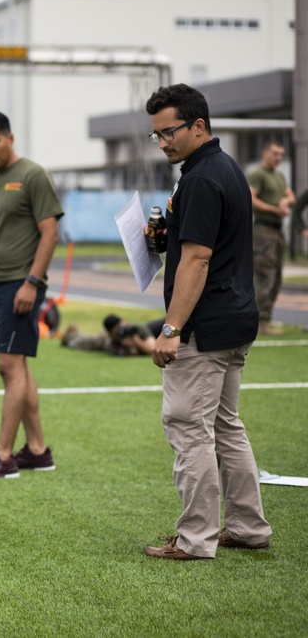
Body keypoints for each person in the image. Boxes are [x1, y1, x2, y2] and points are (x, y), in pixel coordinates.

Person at [143, 83, 271, 559]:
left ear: (199, 125)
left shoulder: (199, 178)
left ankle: (196, 538)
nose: (163, 142)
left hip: (205, 323)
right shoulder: (223, 168)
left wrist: (171, 329)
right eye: (156, 135)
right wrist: (163, 236)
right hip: (235, 318)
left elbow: (197, 261)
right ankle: (247, 526)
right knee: (224, 426)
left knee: (188, 427)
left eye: (169, 131)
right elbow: (194, 244)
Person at [0, 110, 63, 479]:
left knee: (7, 366)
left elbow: (49, 234)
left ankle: (3, 456)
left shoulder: (33, 175)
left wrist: (32, 283)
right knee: (17, 366)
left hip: (21, 284)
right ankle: (37, 450)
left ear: (10, 138)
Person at [247, 140, 296, 336]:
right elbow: (251, 199)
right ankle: (260, 321)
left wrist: (285, 201)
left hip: (277, 231)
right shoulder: (258, 174)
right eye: (275, 153)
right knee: (264, 277)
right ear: (265, 153)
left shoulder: (279, 176)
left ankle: (266, 318)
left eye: (281, 154)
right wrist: (275, 209)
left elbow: (291, 196)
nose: (279, 158)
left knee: (276, 278)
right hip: (263, 230)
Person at [61, 315, 164, 357]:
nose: (121, 331)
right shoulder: (110, 340)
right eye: (117, 331)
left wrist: (136, 342)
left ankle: (72, 335)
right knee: (89, 342)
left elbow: (152, 348)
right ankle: (71, 337)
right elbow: (133, 352)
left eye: (122, 327)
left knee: (90, 341)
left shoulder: (137, 329)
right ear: (110, 334)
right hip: (107, 341)